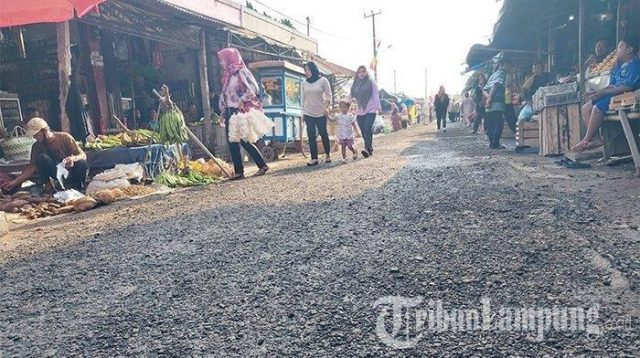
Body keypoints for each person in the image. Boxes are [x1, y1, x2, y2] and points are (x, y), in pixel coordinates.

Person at [573, 37, 640, 153]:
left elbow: (627, 87)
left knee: (597, 108)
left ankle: (586, 139)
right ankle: (596, 139)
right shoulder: (619, 66)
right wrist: (598, 92)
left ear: (629, 50)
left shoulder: (635, 64)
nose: (617, 50)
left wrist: (602, 93)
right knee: (585, 108)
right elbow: (612, 85)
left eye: (620, 47)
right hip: (616, 96)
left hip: (628, 97)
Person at [217, 47, 269, 179]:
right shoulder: (227, 75)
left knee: (244, 140)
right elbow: (225, 94)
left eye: (222, 60)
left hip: (239, 111)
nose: (221, 63)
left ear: (229, 59)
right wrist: (223, 110)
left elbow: (253, 88)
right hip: (230, 111)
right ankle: (239, 171)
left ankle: (261, 165)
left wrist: (242, 100)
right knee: (232, 141)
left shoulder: (240, 72)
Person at [1, 118, 88, 193]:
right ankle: (49, 187)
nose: (34, 137)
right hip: (54, 172)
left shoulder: (64, 137)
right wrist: (14, 182)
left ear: (44, 131)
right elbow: (31, 168)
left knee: (82, 163)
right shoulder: (36, 146)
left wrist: (73, 158)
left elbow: (82, 155)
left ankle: (78, 188)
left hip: (69, 170)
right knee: (41, 157)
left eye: (36, 134)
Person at [302, 61, 333, 166]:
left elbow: (329, 95)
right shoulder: (304, 83)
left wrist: (327, 107)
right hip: (308, 112)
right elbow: (303, 99)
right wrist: (302, 113)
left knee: (323, 133)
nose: (307, 72)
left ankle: (328, 154)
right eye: (305, 70)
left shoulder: (323, 80)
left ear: (314, 69)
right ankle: (314, 158)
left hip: (321, 112)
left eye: (308, 69)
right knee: (311, 135)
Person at [350, 65, 381, 158]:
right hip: (360, 110)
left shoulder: (371, 82)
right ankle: (370, 148)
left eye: (363, 71)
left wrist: (378, 107)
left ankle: (366, 148)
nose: (362, 73)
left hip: (371, 109)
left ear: (366, 72)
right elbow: (351, 94)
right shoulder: (355, 83)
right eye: (360, 72)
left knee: (367, 129)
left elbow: (375, 95)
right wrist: (345, 101)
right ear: (357, 74)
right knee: (363, 131)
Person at [484, 57, 512, 149]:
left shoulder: (493, 74)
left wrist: (488, 97)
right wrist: (490, 98)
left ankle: (492, 143)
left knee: (491, 123)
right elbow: (495, 85)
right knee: (498, 123)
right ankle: (495, 144)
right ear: (503, 64)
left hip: (490, 105)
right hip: (497, 103)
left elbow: (484, 89)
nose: (509, 67)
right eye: (508, 65)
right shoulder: (502, 74)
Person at [336, 99, 361, 164]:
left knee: (350, 146)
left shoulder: (350, 116)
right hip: (342, 134)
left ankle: (354, 151)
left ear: (348, 107)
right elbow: (332, 120)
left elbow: (353, 124)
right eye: (341, 107)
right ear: (340, 108)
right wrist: (327, 116)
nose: (343, 108)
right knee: (343, 146)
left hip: (349, 135)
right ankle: (344, 158)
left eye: (345, 107)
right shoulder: (339, 116)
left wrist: (357, 132)